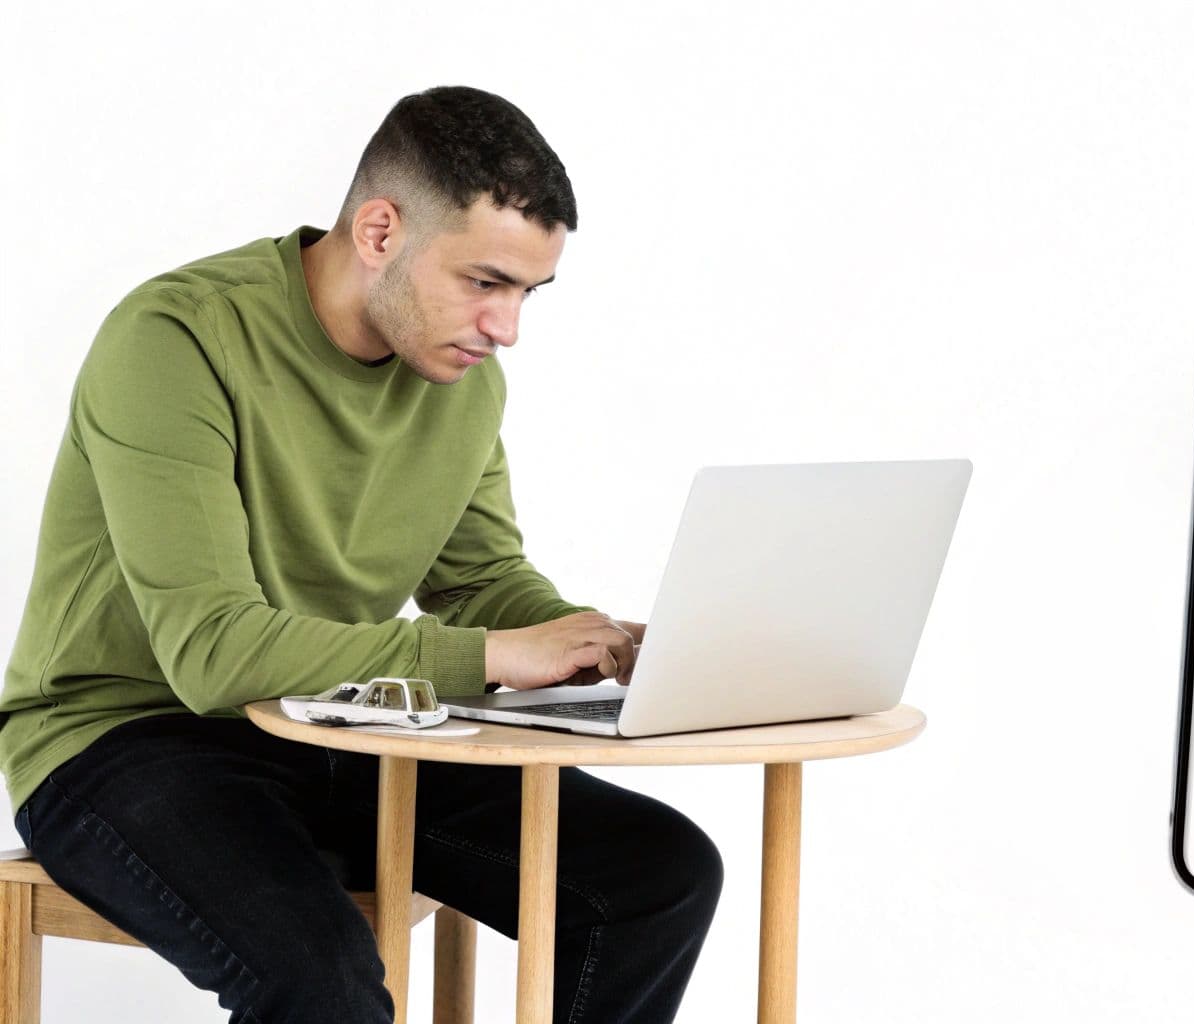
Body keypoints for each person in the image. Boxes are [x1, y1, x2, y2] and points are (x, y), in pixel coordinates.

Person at [0, 86, 720, 1023]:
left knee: (657, 875)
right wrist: (494, 657)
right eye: (485, 281)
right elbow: (212, 651)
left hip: (337, 720)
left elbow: (480, 582)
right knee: (322, 981)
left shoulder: (460, 378)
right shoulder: (177, 338)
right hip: (125, 736)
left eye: (527, 293)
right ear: (379, 231)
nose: (506, 329)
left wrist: (591, 646)